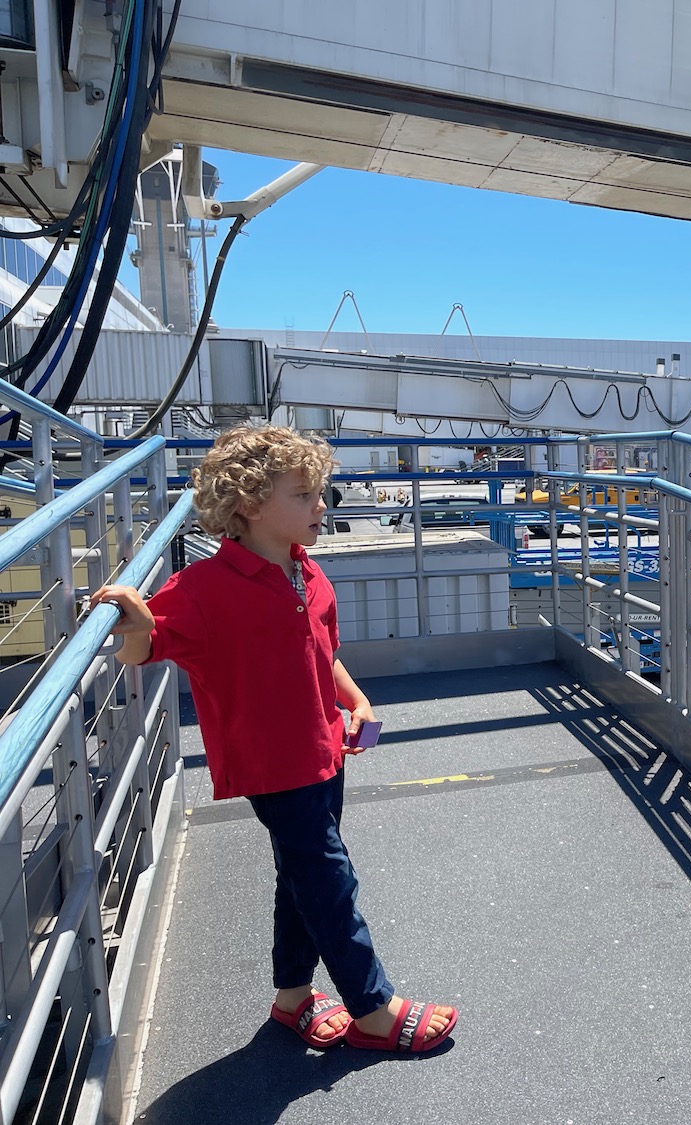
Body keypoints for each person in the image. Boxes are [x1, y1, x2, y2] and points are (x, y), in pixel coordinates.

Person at [88, 425, 457, 1054]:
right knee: (329, 877)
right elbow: (142, 651)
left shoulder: (308, 574)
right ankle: (372, 1006)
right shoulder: (202, 591)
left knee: (303, 875)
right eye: (306, 494)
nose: (323, 506)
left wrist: (354, 699)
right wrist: (139, 617)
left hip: (322, 750)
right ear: (250, 506)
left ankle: (292, 999)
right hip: (272, 764)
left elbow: (323, 653)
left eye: (322, 492)